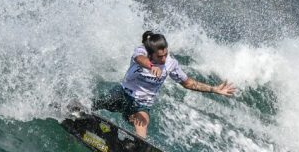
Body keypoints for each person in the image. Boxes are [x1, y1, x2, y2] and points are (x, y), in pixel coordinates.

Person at [94, 31, 237, 139]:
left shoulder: (171, 64)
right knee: (100, 102)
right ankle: (78, 111)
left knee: (142, 126)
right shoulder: (141, 51)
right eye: (159, 56)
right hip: (123, 93)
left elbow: (188, 83)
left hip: (142, 104)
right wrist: (151, 66)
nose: (163, 59)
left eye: (165, 54)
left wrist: (214, 89)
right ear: (151, 53)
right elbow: (139, 59)